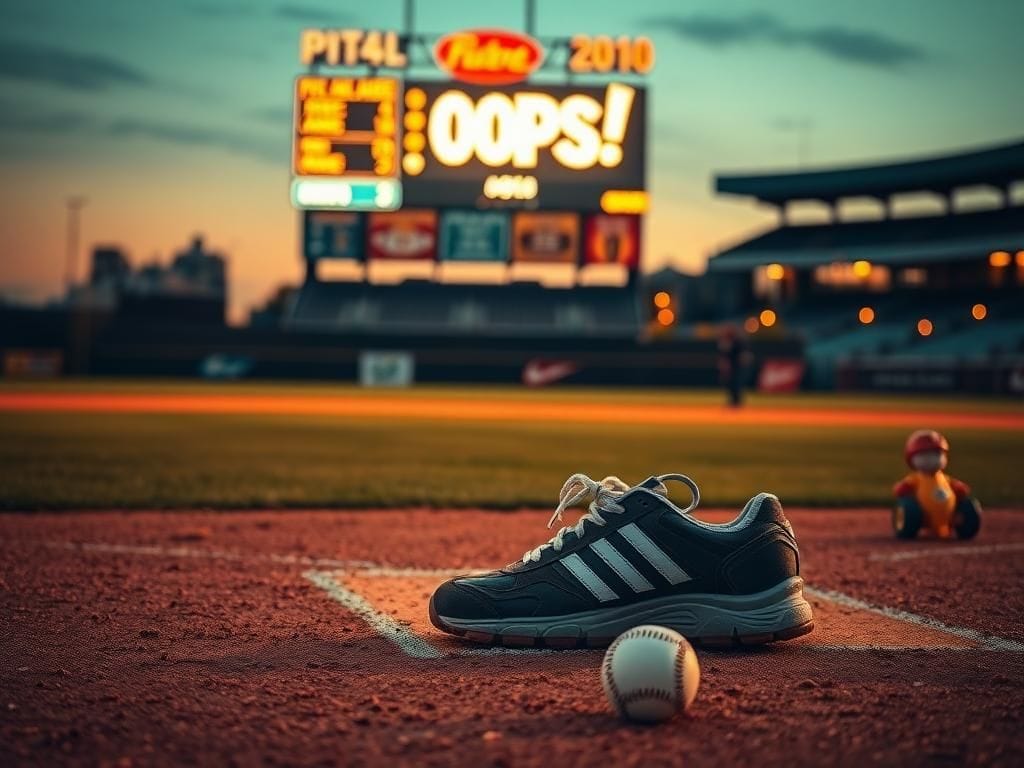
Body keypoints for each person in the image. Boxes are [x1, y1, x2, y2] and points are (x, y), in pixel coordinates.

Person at [718, 324, 751, 407]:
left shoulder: (739, 341)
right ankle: (733, 401)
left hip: (737, 367)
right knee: (730, 384)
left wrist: (743, 364)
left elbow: (745, 356)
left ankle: (737, 402)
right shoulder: (727, 341)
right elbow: (724, 355)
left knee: (736, 384)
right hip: (730, 367)